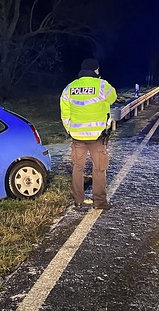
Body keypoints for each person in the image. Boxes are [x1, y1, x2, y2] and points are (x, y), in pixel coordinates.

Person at [60, 58, 117, 210]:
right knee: (99, 168)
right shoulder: (102, 85)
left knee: (77, 168)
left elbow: (65, 114)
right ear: (96, 70)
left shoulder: (69, 88)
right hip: (97, 137)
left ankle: (78, 201)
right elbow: (113, 98)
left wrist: (70, 130)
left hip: (77, 136)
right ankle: (99, 202)